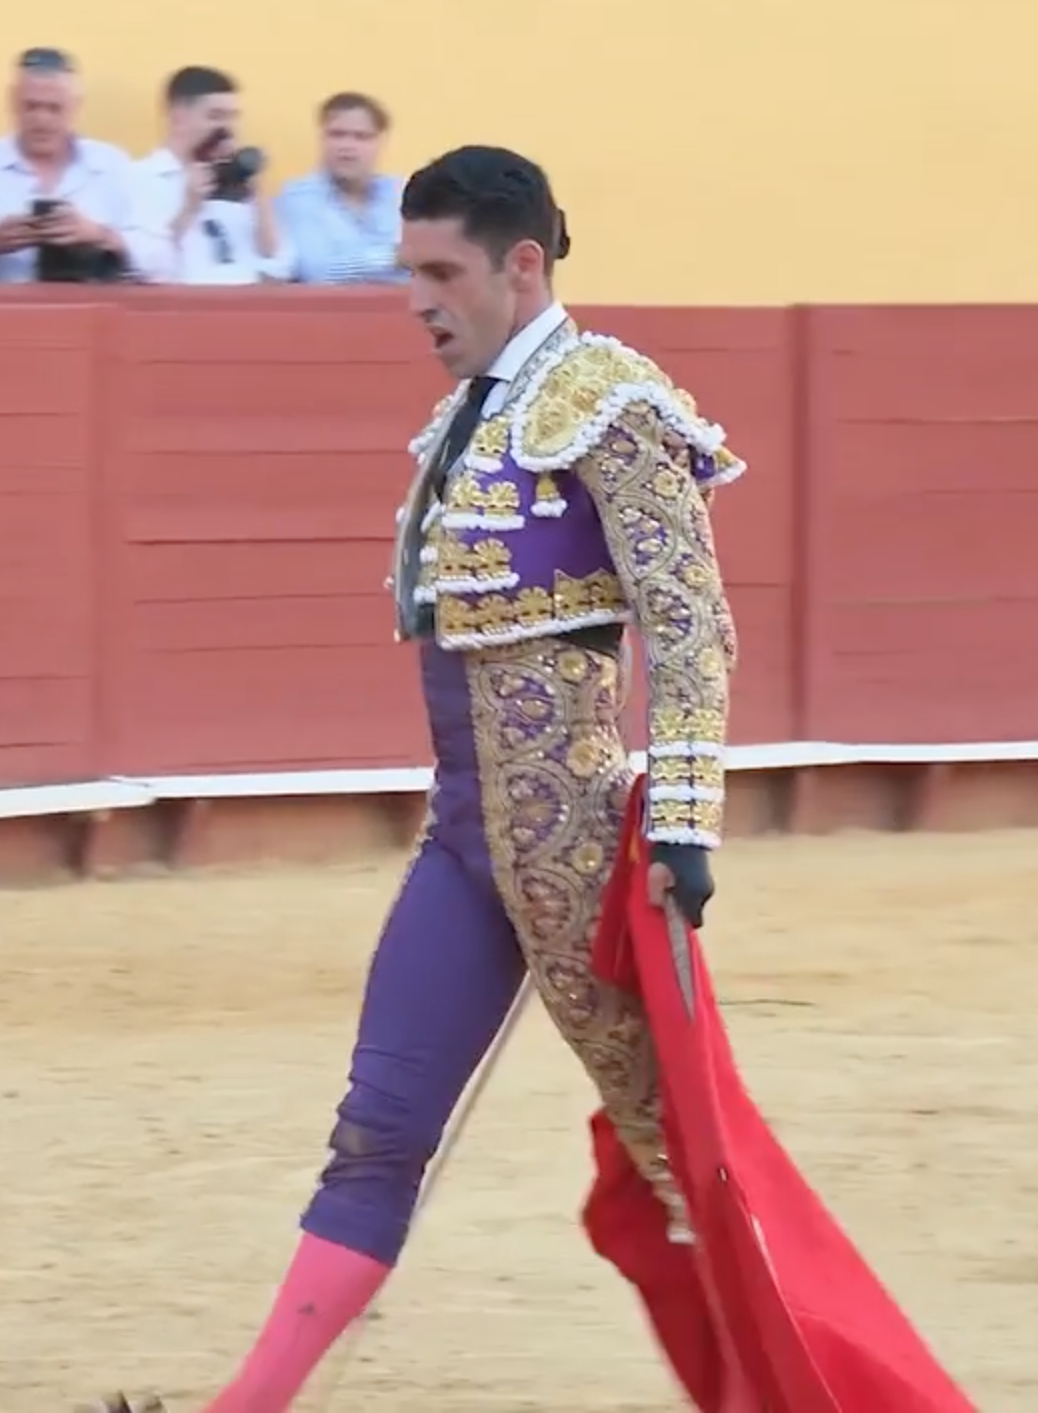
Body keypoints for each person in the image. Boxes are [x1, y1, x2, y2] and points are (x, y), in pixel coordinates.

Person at [196, 144, 744, 1410]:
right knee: (377, 1130)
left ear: (522, 264)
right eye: (408, 272)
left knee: (685, 1165)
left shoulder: (607, 399)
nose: (418, 299)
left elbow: (690, 616)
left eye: (441, 271)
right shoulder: (464, 422)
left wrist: (679, 823)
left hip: (577, 861)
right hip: (467, 850)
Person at [0, 47, 141, 283]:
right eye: (31, 107)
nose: (41, 120)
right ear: (12, 103)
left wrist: (97, 235)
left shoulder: (112, 165)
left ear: (76, 106)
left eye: (54, 108)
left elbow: (153, 260)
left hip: (92, 314)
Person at [127, 65, 283, 286]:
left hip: (247, 308)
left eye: (232, 118)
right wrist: (189, 208)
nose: (226, 129)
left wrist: (257, 191)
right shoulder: (142, 179)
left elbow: (275, 259)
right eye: (215, 117)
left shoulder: (233, 180)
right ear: (177, 116)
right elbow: (148, 268)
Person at [271, 92, 403, 285]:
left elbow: (427, 268)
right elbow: (317, 271)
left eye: (362, 137)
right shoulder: (296, 198)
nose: (347, 146)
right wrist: (396, 258)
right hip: (328, 313)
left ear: (380, 142)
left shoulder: (403, 193)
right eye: (337, 135)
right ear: (321, 138)